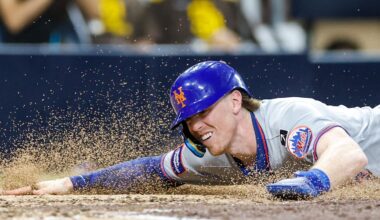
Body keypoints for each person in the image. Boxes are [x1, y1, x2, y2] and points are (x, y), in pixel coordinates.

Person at [2, 61, 379, 199]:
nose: (197, 126)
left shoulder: (288, 116)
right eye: (189, 120)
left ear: (235, 101)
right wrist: (71, 184)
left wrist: (311, 183)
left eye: (204, 111)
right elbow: (150, 169)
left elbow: (349, 155)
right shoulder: (209, 155)